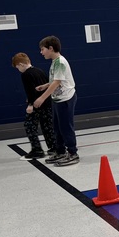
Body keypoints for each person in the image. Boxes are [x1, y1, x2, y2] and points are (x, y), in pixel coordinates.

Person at [33, 35, 79, 166]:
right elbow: (55, 80)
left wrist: (42, 98)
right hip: (58, 99)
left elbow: (57, 82)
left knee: (66, 127)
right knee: (57, 127)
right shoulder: (55, 62)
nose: (41, 52)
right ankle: (60, 151)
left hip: (66, 99)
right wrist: (45, 85)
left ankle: (72, 153)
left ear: (51, 48)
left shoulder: (60, 62)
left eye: (43, 49)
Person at [11, 52, 56, 160]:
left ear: (21, 64)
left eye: (17, 67)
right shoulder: (39, 71)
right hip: (47, 103)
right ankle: (53, 148)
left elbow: (31, 91)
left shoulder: (25, 74)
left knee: (29, 125)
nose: (18, 69)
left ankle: (37, 150)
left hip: (37, 104)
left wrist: (30, 105)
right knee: (48, 127)